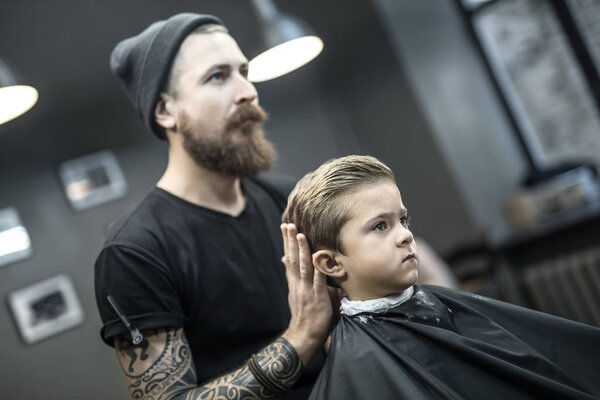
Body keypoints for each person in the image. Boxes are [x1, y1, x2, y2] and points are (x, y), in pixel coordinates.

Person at [94, 13, 333, 400]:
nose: (247, 92)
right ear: (165, 111)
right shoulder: (136, 251)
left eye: (244, 71)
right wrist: (302, 338)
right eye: (217, 77)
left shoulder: (292, 200)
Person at [281, 155, 600, 400]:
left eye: (403, 220)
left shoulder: (441, 305)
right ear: (331, 264)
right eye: (380, 226)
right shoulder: (360, 361)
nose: (405, 235)